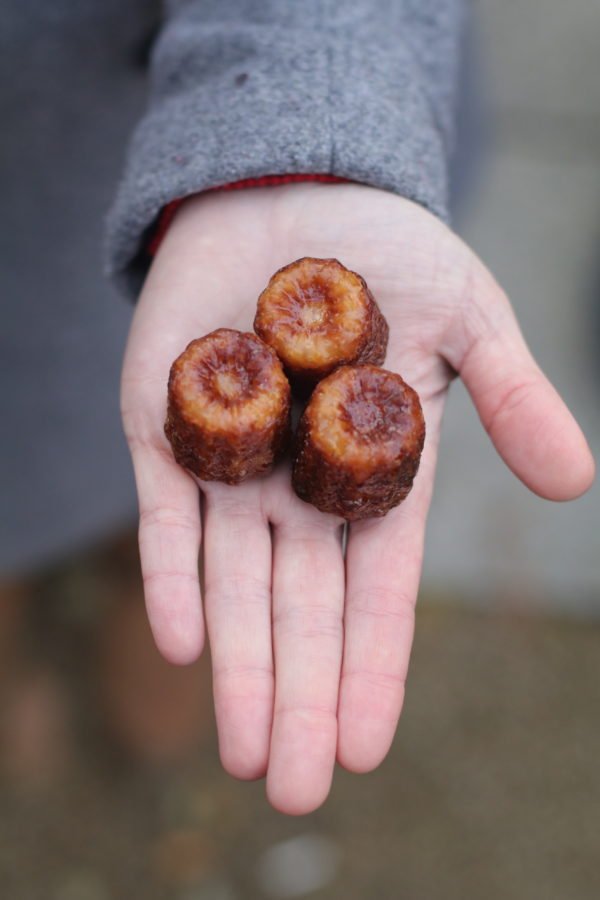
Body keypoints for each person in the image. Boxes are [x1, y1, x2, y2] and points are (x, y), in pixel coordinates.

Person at [2, 1, 595, 816]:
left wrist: (310, 98)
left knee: (153, 507)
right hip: (29, 219)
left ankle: (137, 603)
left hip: (187, 106)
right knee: (27, 462)